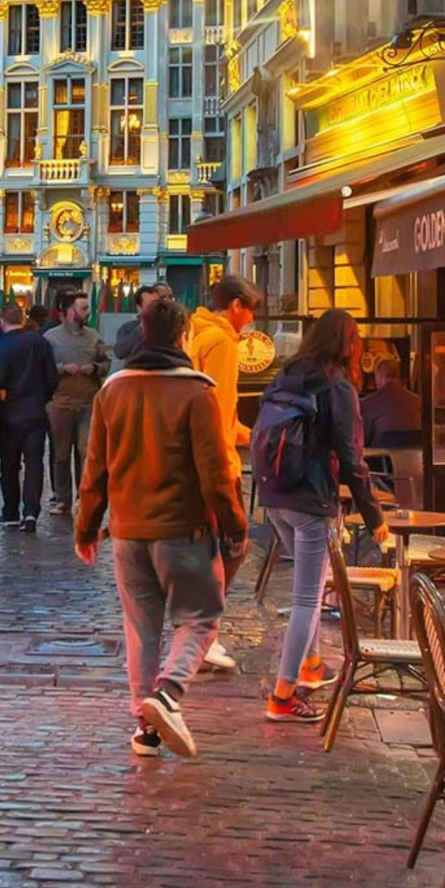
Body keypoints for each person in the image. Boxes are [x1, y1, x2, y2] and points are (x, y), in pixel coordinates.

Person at [74, 297, 247, 759]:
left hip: (127, 532)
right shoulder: (196, 392)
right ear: (183, 336)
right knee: (200, 618)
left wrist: (86, 529)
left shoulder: (112, 390)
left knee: (141, 629)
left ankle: (145, 730)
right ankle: (167, 694)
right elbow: (215, 474)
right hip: (182, 530)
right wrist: (234, 525)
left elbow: (95, 471)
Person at [255, 309, 387, 724]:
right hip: (311, 503)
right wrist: (374, 515)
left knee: (309, 588)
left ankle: (311, 664)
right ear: (349, 344)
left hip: (274, 496)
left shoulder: (287, 373)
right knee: (307, 600)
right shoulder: (337, 386)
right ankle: (283, 695)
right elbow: (351, 458)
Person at [188, 273, 263, 673]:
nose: (250, 319)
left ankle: (198, 632)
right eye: (249, 309)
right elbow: (218, 407)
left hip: (203, 458)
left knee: (212, 550)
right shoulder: (221, 342)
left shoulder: (198, 334)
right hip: (217, 463)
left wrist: (247, 434)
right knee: (230, 547)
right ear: (235, 305)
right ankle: (202, 635)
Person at [0, 302, 59, 530]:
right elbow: (52, 377)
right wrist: (44, 397)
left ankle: (10, 511)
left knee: (9, 465)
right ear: (22, 318)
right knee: (34, 463)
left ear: (3, 321)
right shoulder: (40, 343)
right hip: (36, 410)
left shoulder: (1, 347)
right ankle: (31, 512)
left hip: (10, 411)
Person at [44, 290, 110, 519]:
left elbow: (105, 363)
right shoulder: (51, 338)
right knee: (61, 454)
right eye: (83, 308)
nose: (87, 312)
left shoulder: (93, 336)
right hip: (60, 404)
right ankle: (62, 498)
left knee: (85, 451)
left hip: (88, 402)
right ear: (69, 311)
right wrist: (62, 368)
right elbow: (42, 368)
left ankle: (84, 496)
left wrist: (95, 369)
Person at [360, 356, 422, 449]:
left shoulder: (368, 403)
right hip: (413, 461)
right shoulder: (418, 401)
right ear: (397, 376)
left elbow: (363, 439)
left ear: (379, 376)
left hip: (380, 462)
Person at [113, 283, 172, 362]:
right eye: (150, 305)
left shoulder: (171, 326)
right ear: (139, 307)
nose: (155, 308)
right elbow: (120, 352)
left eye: (157, 304)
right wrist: (142, 327)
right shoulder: (128, 328)